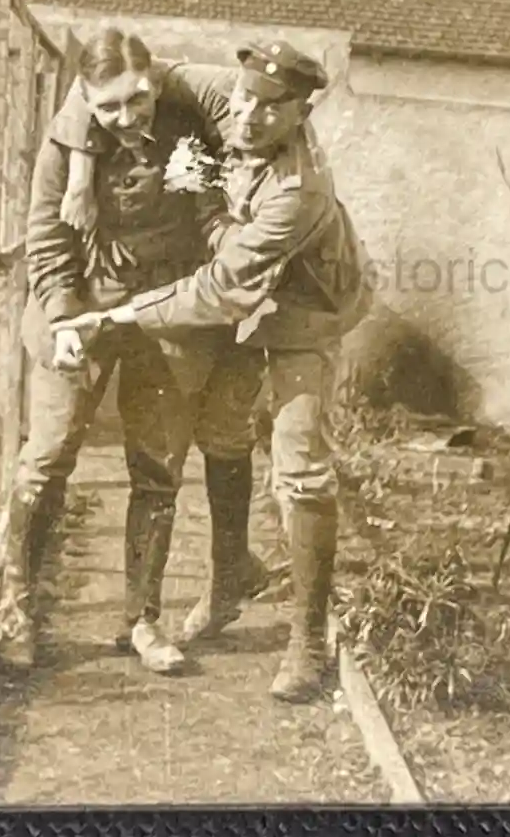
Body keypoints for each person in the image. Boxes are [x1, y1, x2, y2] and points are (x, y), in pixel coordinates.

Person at [55, 42, 373, 703]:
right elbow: (108, 80)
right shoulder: (214, 94)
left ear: (302, 111)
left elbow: (223, 288)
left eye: (269, 108)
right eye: (244, 98)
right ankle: (231, 573)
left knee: (300, 465)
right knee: (224, 432)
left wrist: (119, 318)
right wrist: (83, 170)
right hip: (240, 288)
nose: (248, 117)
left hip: (303, 309)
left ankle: (307, 639)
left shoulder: (300, 189)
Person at [0, 28, 266, 675]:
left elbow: (226, 146)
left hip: (167, 315)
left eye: (135, 99)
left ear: (153, 79)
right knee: (49, 452)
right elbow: (48, 237)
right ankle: (16, 608)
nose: (125, 116)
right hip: (80, 306)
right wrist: (61, 315)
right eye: (107, 106)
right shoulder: (68, 145)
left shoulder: (185, 116)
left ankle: (141, 619)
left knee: (158, 465)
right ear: (85, 99)